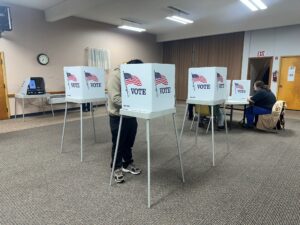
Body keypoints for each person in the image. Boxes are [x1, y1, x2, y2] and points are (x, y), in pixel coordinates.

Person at [107, 59, 142, 183]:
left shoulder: (134, 74)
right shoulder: (115, 75)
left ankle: (127, 163)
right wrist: (135, 103)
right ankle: (116, 167)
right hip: (118, 115)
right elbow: (115, 98)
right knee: (118, 142)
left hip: (131, 114)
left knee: (129, 142)